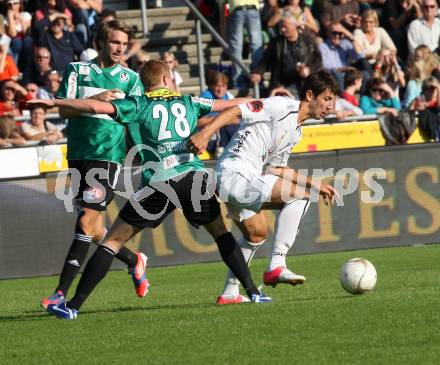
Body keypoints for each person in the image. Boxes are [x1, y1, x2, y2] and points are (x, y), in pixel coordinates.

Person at [30, 59, 272, 319]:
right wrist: (270, 103)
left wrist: (57, 102)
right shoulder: (190, 102)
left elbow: (92, 105)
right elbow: (233, 104)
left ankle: (72, 305)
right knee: (220, 233)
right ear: (168, 80)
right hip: (193, 178)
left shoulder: (137, 104)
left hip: (159, 183)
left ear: (142, 84)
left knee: (111, 242)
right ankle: (253, 292)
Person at [188, 69, 339, 304]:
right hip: (234, 172)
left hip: (241, 177)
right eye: (327, 98)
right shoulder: (281, 106)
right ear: (310, 95)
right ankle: (277, 265)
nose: (331, 106)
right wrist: (205, 133)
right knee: (300, 197)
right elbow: (236, 110)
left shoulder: (296, 132)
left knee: (256, 234)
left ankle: (230, 292)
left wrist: (315, 182)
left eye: (333, 100)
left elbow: (275, 169)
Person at [39, 19, 148, 310]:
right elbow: (62, 110)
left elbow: (136, 118)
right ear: (101, 41)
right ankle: (134, 259)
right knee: (95, 227)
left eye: (124, 44)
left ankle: (60, 294)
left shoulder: (131, 80)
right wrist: (94, 100)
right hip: (78, 154)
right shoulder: (78, 70)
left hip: (109, 157)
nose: (120, 48)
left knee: (86, 220)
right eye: (115, 42)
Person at [250, 12, 322, 98]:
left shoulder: (308, 41)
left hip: (304, 84)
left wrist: (309, 70)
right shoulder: (276, 42)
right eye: (280, 26)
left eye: (285, 26)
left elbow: (318, 60)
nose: (282, 29)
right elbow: (266, 60)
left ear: (294, 25)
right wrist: (258, 73)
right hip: (281, 85)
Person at [222, 0, 263, 87]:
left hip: (237, 9)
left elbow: (222, 5)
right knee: (256, 46)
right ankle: (257, 77)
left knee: (236, 47)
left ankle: (237, 80)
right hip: (252, 8)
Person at [200, 70, 237, 157]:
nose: (220, 89)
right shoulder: (205, 98)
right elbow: (199, 122)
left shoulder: (228, 96)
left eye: (223, 86)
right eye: (217, 86)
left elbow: (236, 119)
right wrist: (224, 119)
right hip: (210, 136)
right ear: (211, 86)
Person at [319, 21, 365, 91]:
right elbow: (327, 67)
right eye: (334, 33)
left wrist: (351, 38)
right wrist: (344, 69)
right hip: (333, 75)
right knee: (338, 75)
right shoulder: (323, 46)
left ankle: (363, 98)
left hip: (347, 73)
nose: (337, 36)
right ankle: (341, 99)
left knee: (365, 73)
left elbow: (360, 55)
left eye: (340, 33)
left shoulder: (345, 43)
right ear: (328, 33)